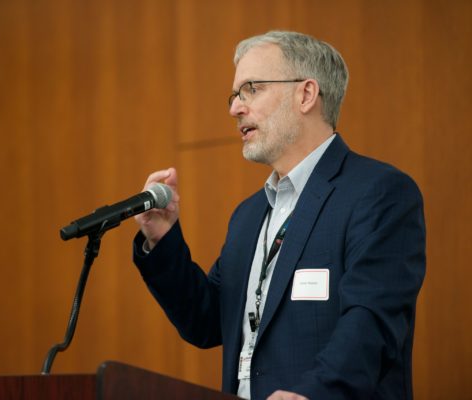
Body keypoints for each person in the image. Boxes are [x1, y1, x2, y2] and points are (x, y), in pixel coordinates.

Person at [132, 31, 425, 400]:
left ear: (305, 95)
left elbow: (370, 323)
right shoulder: (249, 216)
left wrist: (313, 393)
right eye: (235, 95)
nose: (235, 108)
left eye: (251, 89)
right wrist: (162, 239)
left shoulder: (378, 193)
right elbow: (206, 322)